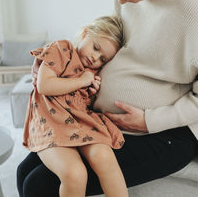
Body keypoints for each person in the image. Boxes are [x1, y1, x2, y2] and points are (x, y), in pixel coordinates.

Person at [17, 0, 198, 196]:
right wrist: (58, 69)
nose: (122, 1)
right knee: (24, 171)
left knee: (40, 185)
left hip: (164, 135)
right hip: (98, 120)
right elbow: (115, 48)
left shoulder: (196, 15)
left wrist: (149, 121)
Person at [21, 15, 128, 197]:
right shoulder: (62, 49)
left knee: (104, 157)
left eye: (103, 59)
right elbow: (45, 86)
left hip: (80, 123)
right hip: (49, 123)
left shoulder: (91, 72)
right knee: (75, 174)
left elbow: (80, 105)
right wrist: (80, 82)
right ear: (85, 33)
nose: (95, 58)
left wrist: (90, 96)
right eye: (95, 48)